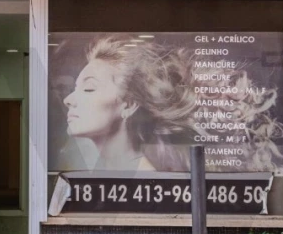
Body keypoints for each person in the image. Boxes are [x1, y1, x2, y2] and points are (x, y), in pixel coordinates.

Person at [63, 35, 197, 171]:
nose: (68, 100)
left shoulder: (143, 179)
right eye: (75, 89)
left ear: (128, 104)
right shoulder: (110, 170)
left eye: (88, 88)